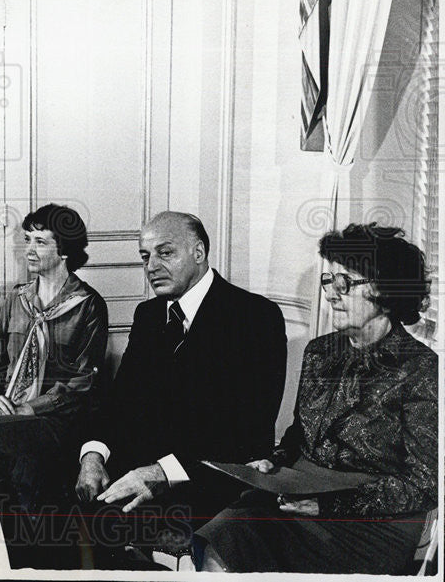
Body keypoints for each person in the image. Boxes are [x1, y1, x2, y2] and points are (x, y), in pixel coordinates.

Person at [195, 223, 437, 574]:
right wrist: (273, 461)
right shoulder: (319, 352)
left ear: (387, 290)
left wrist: (330, 505)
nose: (332, 294)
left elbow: (424, 484)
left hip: (373, 522)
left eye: (345, 284)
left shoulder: (422, 368)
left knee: (239, 535)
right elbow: (299, 436)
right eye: (329, 281)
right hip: (300, 496)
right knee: (223, 534)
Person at [75, 211, 287, 562]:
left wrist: (162, 473)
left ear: (199, 252)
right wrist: (94, 455)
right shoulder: (148, 316)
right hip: (141, 471)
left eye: (165, 252)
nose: (151, 266)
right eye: (145, 256)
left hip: (211, 477)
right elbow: (119, 403)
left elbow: (249, 432)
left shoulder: (254, 316)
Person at [0, 204, 107, 506]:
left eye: (40, 242)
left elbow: (82, 384)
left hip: (52, 419)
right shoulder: (16, 298)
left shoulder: (88, 305)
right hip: (3, 408)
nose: (29, 250)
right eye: (27, 239)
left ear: (65, 250)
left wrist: (28, 408)